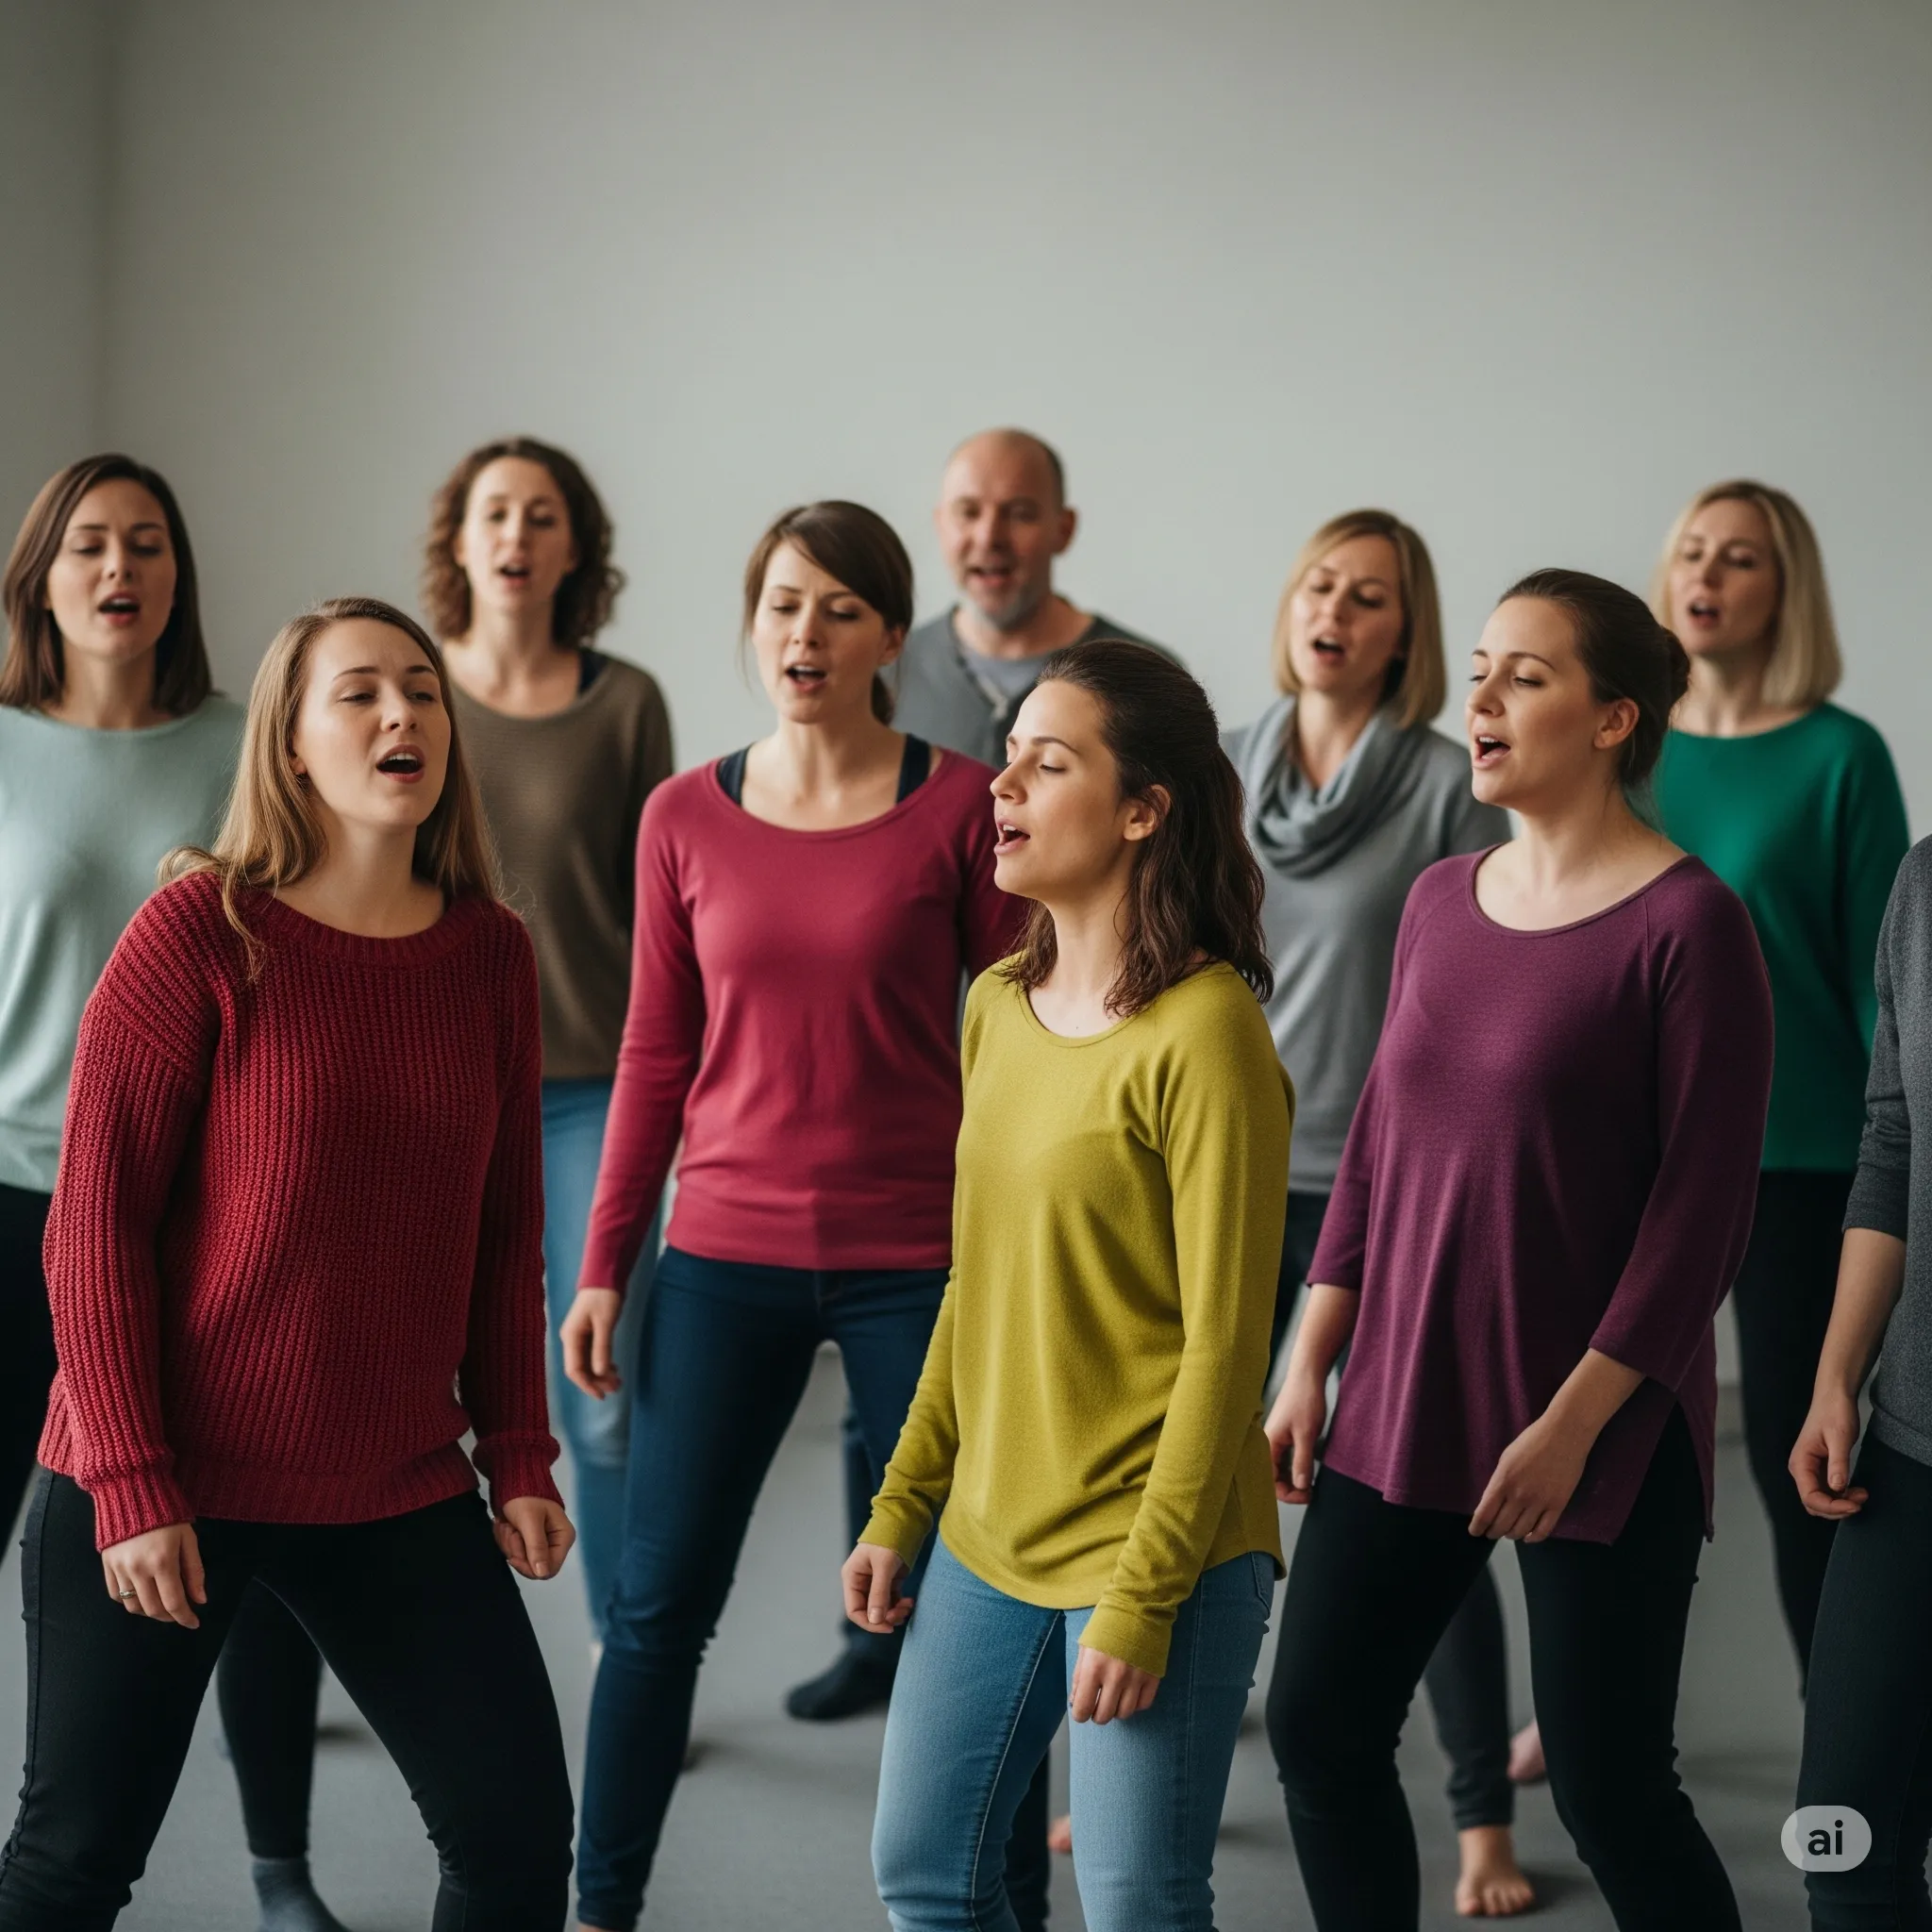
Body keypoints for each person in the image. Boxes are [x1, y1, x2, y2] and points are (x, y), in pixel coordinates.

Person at [0, 596, 575, 1931]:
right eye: (361, 693)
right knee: (73, 1863)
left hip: (390, 1479)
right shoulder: (199, 933)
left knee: (515, 1842)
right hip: (165, 1479)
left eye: (423, 692)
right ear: (294, 747)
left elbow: (502, 1235)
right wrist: (133, 1483)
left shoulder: (490, 952)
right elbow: (92, 1227)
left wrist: (524, 1453)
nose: (403, 717)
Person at [1266, 571, 1773, 1932]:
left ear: (1614, 719)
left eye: (1524, 677)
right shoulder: (1439, 896)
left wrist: (1574, 1425)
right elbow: (1377, 1144)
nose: (1479, 700)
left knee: (1611, 1790)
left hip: (1595, 1421)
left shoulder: (1690, 927)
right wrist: (1310, 1354)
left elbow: (1702, 1218)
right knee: (1320, 1727)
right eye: (1479, 669)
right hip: (1404, 1386)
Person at [559, 502, 1018, 1932]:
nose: (802, 635)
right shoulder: (683, 815)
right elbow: (652, 1056)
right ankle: (599, 1905)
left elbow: (1022, 1037)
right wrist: (601, 1270)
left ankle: (999, 1908)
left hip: (918, 1266)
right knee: (655, 1612)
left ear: (891, 635)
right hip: (723, 1261)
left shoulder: (960, 804)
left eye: (835, 609)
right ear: (750, 627)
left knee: (970, 1611)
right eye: (779, 605)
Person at [854, 639, 1293, 1932]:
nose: (1004, 789)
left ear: (1143, 810)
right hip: (989, 1534)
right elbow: (973, 1291)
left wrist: (1146, 1599)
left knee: (1137, 1907)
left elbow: (1226, 1349)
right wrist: (903, 1505)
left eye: (1048, 765)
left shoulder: (1208, 1031)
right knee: (925, 1878)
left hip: (1158, 1549)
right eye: (1008, 761)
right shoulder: (994, 1002)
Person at [0, 454, 355, 1932]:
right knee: (48, 1552)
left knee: (250, 1557)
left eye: (146, 543)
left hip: (205, 1216)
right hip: (16, 1189)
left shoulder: (239, 744)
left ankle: (280, 1871)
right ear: (42, 575)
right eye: (88, 543)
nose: (118, 568)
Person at [1224, 508, 1531, 1918]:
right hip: (1223, 1180)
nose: (1336, 609)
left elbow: (1470, 1000)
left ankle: (1477, 1817)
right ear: (1290, 605)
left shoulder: (1440, 785)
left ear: (1408, 634)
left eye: (1373, 595)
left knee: (1414, 1509)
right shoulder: (1225, 764)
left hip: (1377, 1191)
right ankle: (1139, 1761)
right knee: (1190, 1479)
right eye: (1320, 584)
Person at [1651, 478, 1908, 1686]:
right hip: (1633, 1153)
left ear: (1782, 587)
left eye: (1739, 558)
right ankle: (1599, 1702)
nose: (1706, 574)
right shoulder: (1624, 740)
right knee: (1613, 1437)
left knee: (1798, 1459)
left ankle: (1843, 1721)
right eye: (1692, 551)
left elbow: (1885, 986)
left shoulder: (1838, 754)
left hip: (1795, 1155)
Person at [425, 434, 675, 1641]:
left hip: (591, 1083)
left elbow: (663, 914)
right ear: (459, 541)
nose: (515, 538)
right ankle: (368, 1632)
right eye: (494, 516)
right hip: (434, 1082)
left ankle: (625, 1643)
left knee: (599, 1374)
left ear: (574, 545)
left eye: (540, 517)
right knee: (395, 1372)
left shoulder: (624, 702)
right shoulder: (410, 687)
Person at [1790, 833, 1932, 1926]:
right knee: (1839, 1842)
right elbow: (1891, 1138)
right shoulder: (1924, 882)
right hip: (1911, 1434)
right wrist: (1837, 1376)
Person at [889, 427, 1166, 767]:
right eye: (968, 512)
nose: (989, 537)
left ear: (1063, 530)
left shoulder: (1147, 680)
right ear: (940, 523)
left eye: (1020, 514)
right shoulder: (887, 674)